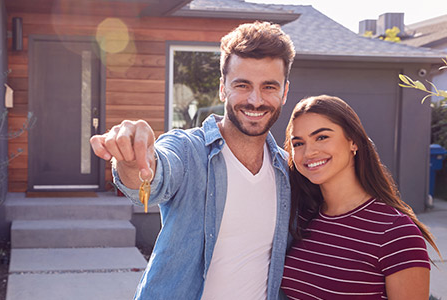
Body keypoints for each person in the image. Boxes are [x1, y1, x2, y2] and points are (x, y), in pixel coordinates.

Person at [90, 21, 295, 299]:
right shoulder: (187, 150)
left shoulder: (289, 170)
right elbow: (154, 175)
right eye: (242, 85)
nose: (255, 100)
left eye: (269, 87)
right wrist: (131, 160)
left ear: (284, 92)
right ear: (223, 88)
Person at [280, 95, 441, 299]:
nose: (309, 152)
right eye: (298, 143)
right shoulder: (300, 220)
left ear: (353, 142)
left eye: (321, 137)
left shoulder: (397, 233)